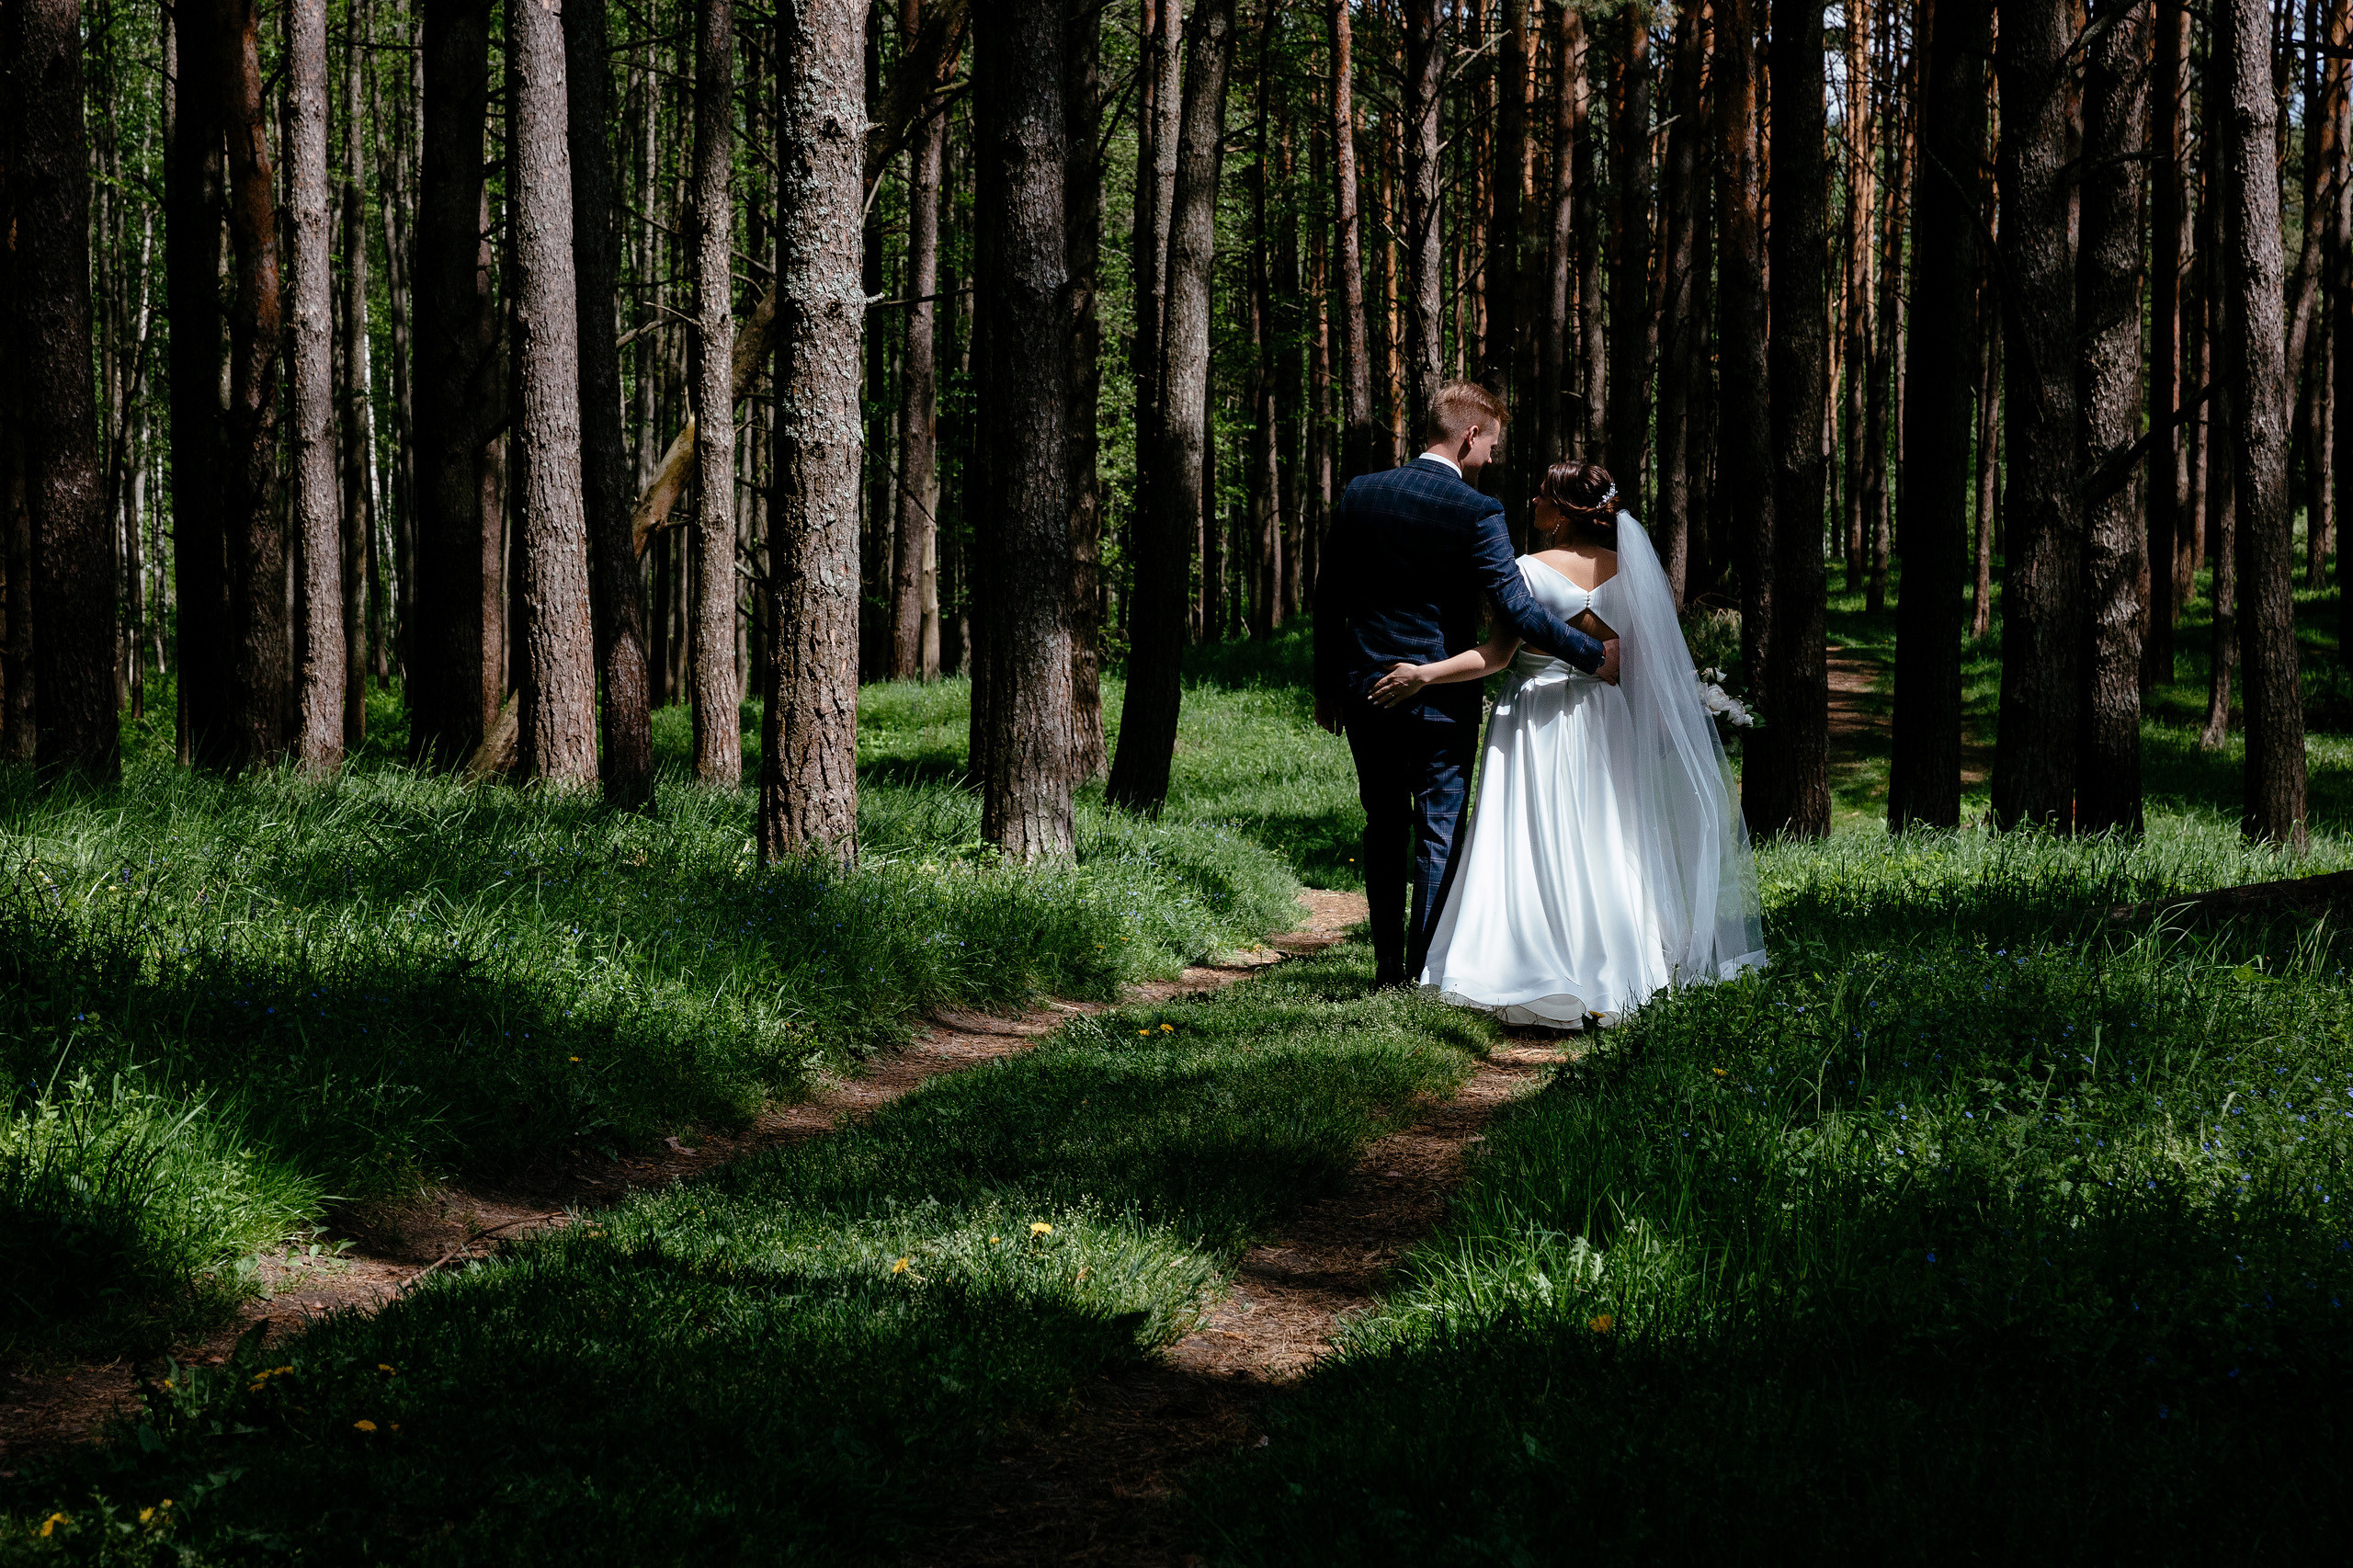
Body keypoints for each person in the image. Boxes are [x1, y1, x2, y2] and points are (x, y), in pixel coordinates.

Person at [1370, 460, 1767, 1026]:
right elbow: (1639, 661)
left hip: (1533, 718)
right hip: (1605, 715)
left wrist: (1424, 674)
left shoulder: (1526, 570)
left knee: (1529, 839)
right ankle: (1616, 964)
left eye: (1540, 496)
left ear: (1559, 512)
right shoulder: (1634, 572)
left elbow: (1498, 656)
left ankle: (1524, 966)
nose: (1532, 503)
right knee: (1610, 838)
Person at [1313, 382, 1620, 990]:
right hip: (1442, 696)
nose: (1493, 459)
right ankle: (1422, 972)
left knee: (1383, 824)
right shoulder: (1478, 511)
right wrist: (1592, 655)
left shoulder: (1361, 493)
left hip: (1369, 688)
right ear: (1470, 435)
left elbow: (1329, 599)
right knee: (1438, 826)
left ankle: (1385, 969)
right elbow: (1519, 610)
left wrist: (1328, 689)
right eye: (1493, 446)